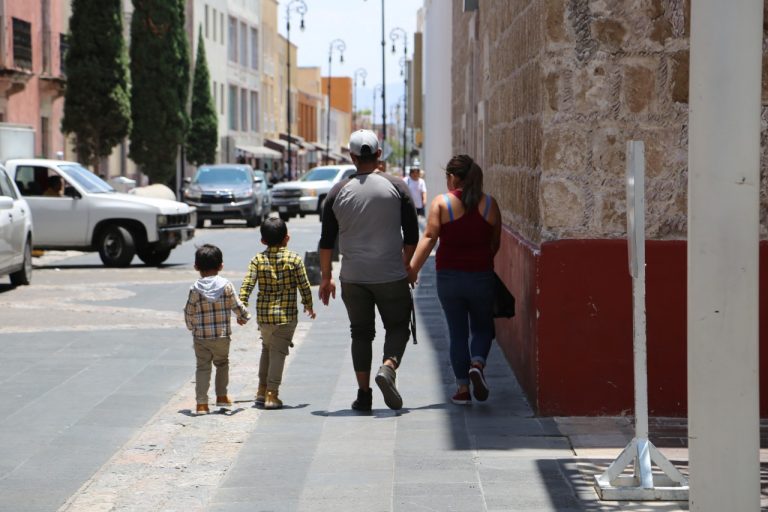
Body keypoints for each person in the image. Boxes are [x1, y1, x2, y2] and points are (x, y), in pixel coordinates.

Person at [318, 129, 419, 411]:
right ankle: (388, 367)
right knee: (398, 326)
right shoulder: (398, 187)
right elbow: (412, 235)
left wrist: (326, 278)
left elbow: (327, 243)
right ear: (378, 155)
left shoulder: (337, 192)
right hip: (390, 274)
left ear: (352, 157)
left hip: (353, 278)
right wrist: (406, 263)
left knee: (360, 333)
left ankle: (364, 395)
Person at [408, 155, 501, 405]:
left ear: (452, 177)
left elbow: (429, 237)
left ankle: (462, 389)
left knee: (457, 333)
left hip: (449, 279)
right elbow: (495, 244)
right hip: (481, 276)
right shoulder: (490, 205)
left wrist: (413, 269)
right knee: (483, 328)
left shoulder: (441, 203)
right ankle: (478, 363)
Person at [240, 217, 315, 410]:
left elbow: (247, 284)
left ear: (263, 241)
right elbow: (304, 285)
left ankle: (261, 390)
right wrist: (308, 304)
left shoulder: (257, 260)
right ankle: (272, 394)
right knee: (278, 353)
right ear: (287, 238)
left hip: (264, 317)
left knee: (267, 348)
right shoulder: (295, 259)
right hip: (286, 317)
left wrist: (241, 306)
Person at [185, 244, 251, 414]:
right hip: (222, 336)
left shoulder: (195, 289)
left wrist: (191, 326)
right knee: (222, 364)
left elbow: (189, 311)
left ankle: (201, 404)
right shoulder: (226, 285)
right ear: (221, 266)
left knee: (203, 367)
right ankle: (221, 396)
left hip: (201, 337)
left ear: (196, 267)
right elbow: (236, 304)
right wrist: (243, 317)